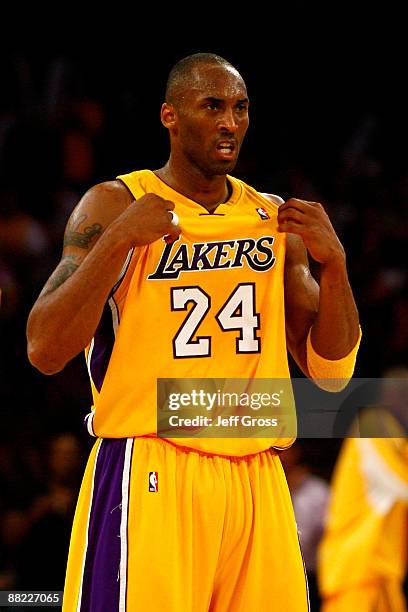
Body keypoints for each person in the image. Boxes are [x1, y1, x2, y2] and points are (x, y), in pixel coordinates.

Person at [26, 53, 361, 612]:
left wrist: (339, 266)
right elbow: (43, 348)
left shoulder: (274, 219)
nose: (230, 123)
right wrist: (117, 242)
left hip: (257, 473)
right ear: (170, 116)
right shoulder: (116, 204)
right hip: (154, 463)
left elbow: (331, 375)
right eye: (212, 106)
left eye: (240, 108)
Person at [318, 369, 408, 612]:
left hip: (381, 566)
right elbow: (391, 483)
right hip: (355, 564)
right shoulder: (372, 424)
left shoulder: (396, 435)